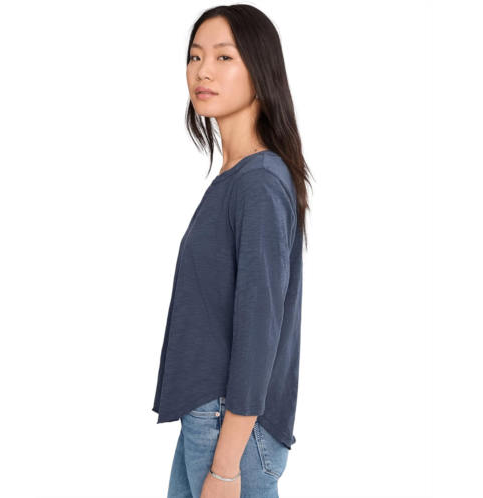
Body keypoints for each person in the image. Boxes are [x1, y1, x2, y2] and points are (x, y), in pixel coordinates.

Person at [152, 5, 312, 497]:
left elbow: (259, 331)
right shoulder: (238, 178)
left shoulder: (258, 182)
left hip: (229, 428)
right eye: (195, 56)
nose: (202, 71)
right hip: (210, 418)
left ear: (261, 71)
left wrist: (225, 467)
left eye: (224, 57)